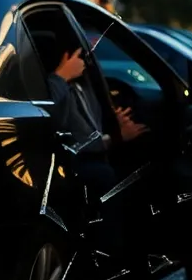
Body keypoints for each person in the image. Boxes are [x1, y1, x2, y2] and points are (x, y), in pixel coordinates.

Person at [48, 46, 149, 258]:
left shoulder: (85, 85)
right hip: (70, 165)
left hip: (95, 157)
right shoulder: (50, 87)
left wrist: (115, 127)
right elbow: (55, 128)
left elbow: (92, 130)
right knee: (105, 177)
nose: (83, 60)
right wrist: (60, 78)